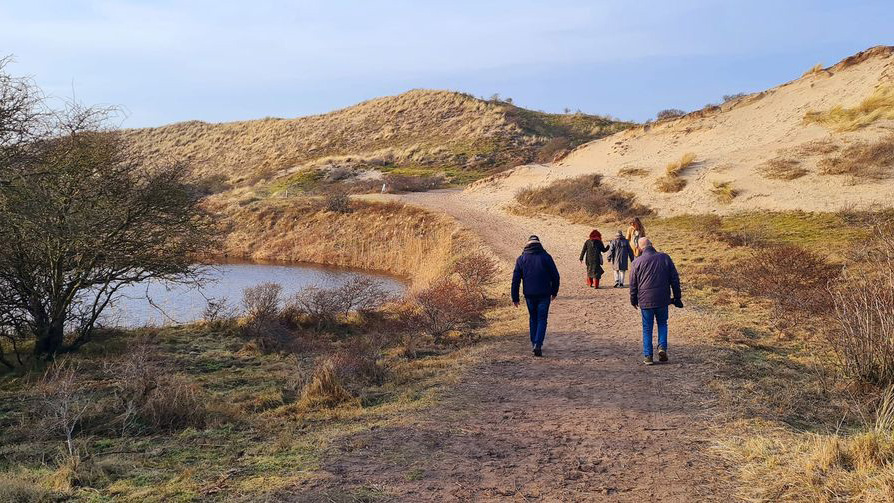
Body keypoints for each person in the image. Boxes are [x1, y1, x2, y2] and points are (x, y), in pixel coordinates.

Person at [629, 237, 683, 365]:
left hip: (645, 300)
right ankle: (662, 348)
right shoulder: (665, 257)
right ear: (651, 245)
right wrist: (677, 297)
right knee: (662, 323)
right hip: (662, 298)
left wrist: (633, 299)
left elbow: (633, 284)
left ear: (640, 248)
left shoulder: (636, 262)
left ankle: (648, 356)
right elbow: (674, 279)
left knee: (647, 328)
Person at [511, 235, 561, 357]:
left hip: (529, 294)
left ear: (527, 245)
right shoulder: (546, 257)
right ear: (539, 245)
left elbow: (515, 280)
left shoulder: (521, 259)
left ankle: (534, 343)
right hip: (544, 294)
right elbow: (556, 276)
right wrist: (554, 292)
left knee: (533, 318)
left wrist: (515, 298)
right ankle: (538, 344)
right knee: (542, 319)